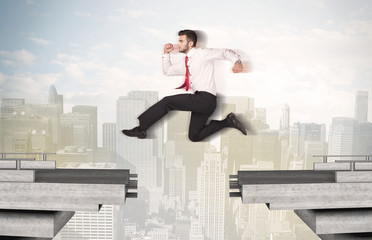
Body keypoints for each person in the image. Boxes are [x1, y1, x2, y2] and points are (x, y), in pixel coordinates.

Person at [122, 29, 247, 142]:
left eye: (181, 41)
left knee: (167, 102)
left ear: (190, 43)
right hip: (204, 103)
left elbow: (225, 52)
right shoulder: (187, 62)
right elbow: (168, 71)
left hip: (204, 99)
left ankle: (141, 129)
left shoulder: (201, 53)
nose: (178, 44)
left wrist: (237, 61)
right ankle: (228, 121)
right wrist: (166, 53)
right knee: (194, 136)